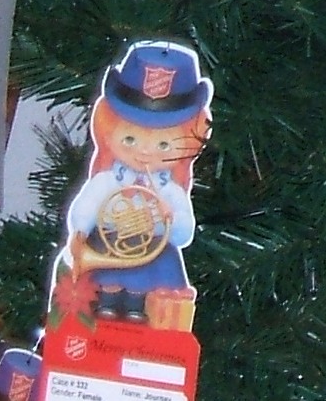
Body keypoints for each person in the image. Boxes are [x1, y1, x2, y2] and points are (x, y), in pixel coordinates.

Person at [54, 41, 212, 325]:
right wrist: (79, 232)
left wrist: (168, 217)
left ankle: (137, 307)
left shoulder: (170, 191)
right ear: (108, 131)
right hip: (109, 243)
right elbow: (87, 208)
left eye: (164, 145)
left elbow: (182, 234)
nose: (145, 152)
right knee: (107, 280)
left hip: (152, 253)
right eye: (130, 139)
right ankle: (107, 304)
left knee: (147, 279)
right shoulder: (107, 180)